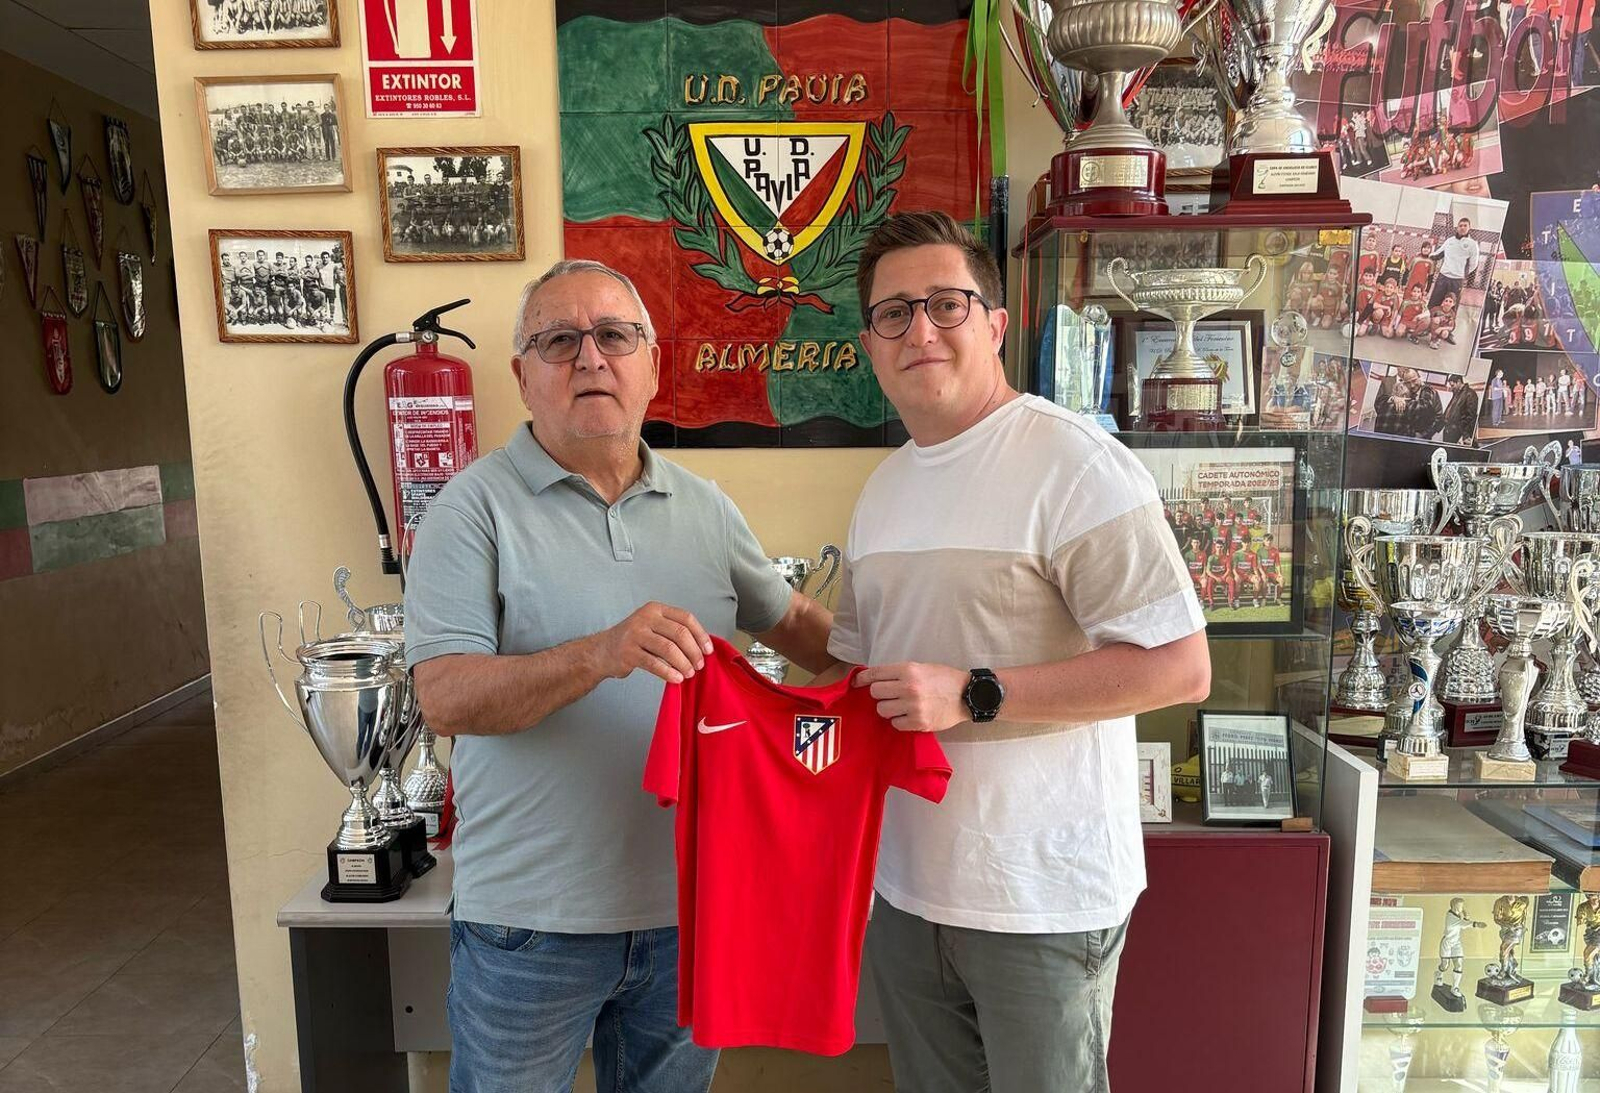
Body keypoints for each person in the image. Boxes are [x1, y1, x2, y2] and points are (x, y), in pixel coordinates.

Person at [405, 259, 837, 1093]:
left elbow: (800, 629)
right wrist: (600, 654)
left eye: (615, 335)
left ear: (653, 365)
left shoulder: (707, 506)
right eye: (558, 339)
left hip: (687, 917)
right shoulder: (469, 509)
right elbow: (444, 694)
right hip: (529, 929)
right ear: (522, 376)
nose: (590, 358)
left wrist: (929, 674)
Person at [825, 212, 1210, 1093]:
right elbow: (851, 677)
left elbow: (1179, 665)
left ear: (995, 325)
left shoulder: (1075, 463)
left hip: (1041, 897)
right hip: (906, 892)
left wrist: (976, 693)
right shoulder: (880, 493)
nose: (919, 329)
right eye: (893, 313)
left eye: (945, 304)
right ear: (870, 344)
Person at [1428, 217, 1481, 323]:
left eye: (1465, 225)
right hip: (1443, 277)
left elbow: (1473, 264)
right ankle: (1428, 323)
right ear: (1457, 227)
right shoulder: (1449, 241)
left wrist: (1462, 273)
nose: (1462, 227)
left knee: (1452, 305)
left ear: (1469, 228)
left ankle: (1447, 328)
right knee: (1434, 301)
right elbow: (1438, 254)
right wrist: (1427, 255)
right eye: (1460, 225)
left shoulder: (1472, 244)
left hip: (1457, 280)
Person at [1443, 374, 1480, 443]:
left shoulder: (1470, 394)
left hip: (1457, 432)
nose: (1451, 388)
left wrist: (1465, 434)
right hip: (1450, 430)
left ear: (1459, 382)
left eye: (1452, 385)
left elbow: (1470, 415)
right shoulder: (1457, 393)